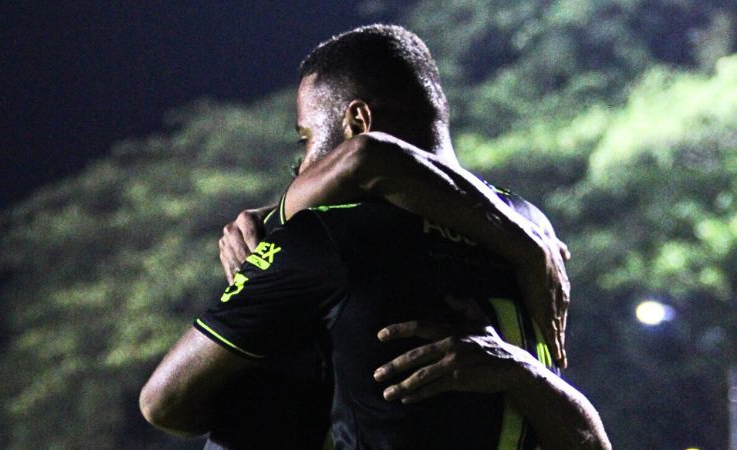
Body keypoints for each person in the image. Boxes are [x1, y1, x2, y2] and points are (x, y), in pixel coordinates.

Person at [140, 25, 610, 449]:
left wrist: (281, 222)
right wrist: (522, 372)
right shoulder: (532, 227)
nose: (303, 168)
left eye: (306, 140)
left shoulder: (326, 236)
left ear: (358, 121)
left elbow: (165, 403)